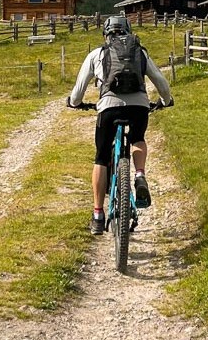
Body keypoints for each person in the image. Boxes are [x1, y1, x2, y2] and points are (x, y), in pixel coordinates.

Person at [67, 14, 174, 235]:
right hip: (139, 107)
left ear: (105, 34)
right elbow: (161, 83)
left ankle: (98, 215)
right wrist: (165, 101)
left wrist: (75, 103)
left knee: (101, 157)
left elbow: (78, 90)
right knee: (138, 139)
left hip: (108, 108)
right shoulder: (139, 52)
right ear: (128, 31)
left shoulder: (97, 54)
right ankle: (139, 175)